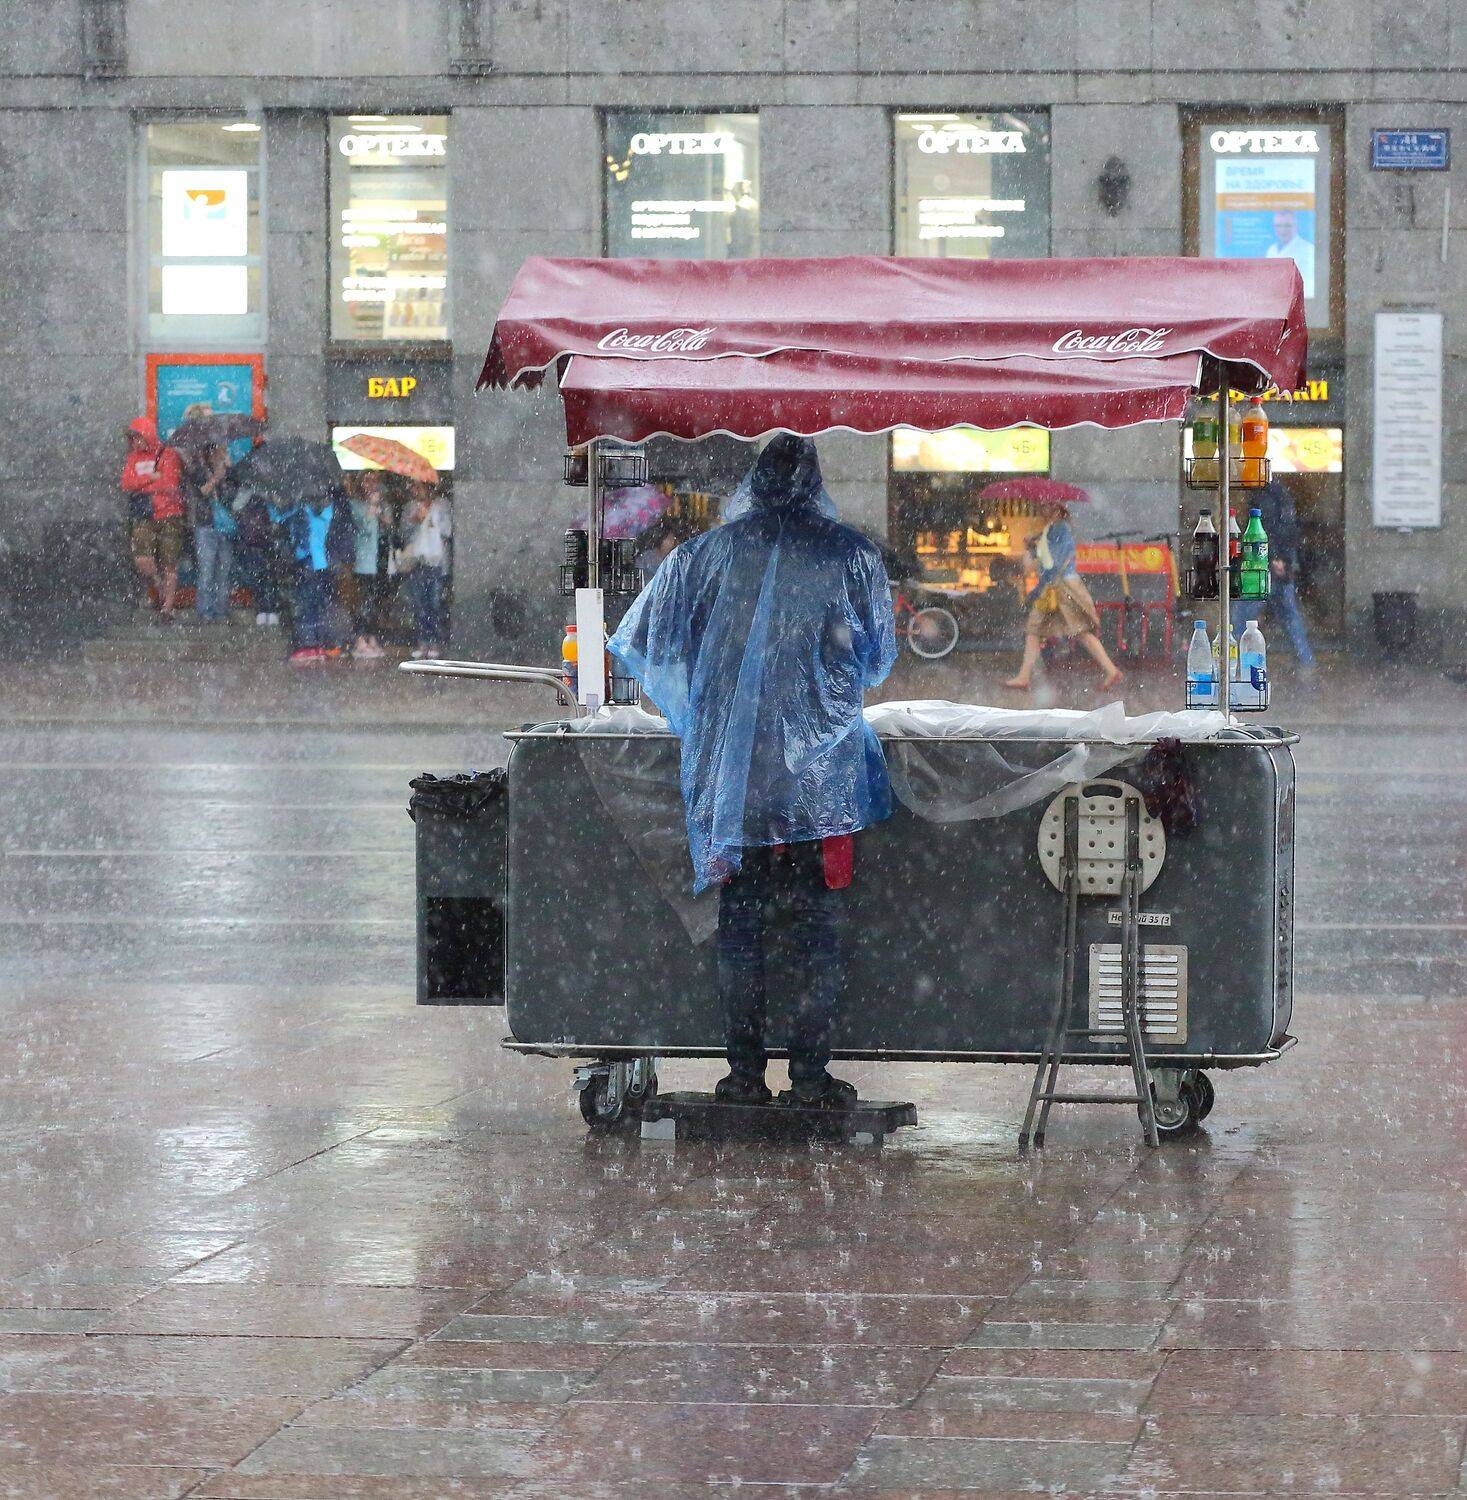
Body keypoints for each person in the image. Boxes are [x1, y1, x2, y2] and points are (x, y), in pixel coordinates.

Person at [610, 434, 897, 1109]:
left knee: (740, 927)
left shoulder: (700, 556)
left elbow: (649, 643)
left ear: (753, 482)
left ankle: (742, 1076)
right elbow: (877, 658)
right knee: (816, 934)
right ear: (814, 483)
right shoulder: (851, 556)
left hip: (734, 786)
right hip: (819, 791)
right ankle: (810, 1078)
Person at [1004, 499, 1123, 691]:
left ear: (1058, 510)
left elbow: (1053, 564)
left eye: (1049, 507)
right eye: (1043, 506)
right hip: (1055, 588)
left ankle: (1111, 670)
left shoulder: (1060, 529)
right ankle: (1024, 676)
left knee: (1072, 631)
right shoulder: (1051, 530)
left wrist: (1038, 586)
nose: (1044, 510)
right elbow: (1046, 560)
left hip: (1062, 587)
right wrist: (1033, 546)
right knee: (1039, 630)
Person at [1231, 479, 1316, 672]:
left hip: (1265, 562)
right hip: (1277, 561)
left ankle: (1232, 661)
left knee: (1241, 616)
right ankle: (1306, 661)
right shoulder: (1278, 494)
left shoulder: (1265, 497)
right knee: (1289, 615)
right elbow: (1286, 527)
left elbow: (1271, 529)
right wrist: (1284, 558)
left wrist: (1276, 557)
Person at [120, 417, 187, 625]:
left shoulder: (168, 454)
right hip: (144, 515)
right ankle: (158, 586)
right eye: (132, 439)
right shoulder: (133, 458)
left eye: (138, 438)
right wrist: (151, 478)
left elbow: (170, 484)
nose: (135, 443)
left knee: (169, 563)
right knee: (142, 559)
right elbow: (126, 483)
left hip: (169, 514)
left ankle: (167, 607)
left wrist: (143, 486)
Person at [173, 403, 236, 624]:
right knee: (207, 569)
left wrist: (226, 466)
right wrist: (216, 476)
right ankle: (205, 612)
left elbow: (231, 488)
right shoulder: (192, 457)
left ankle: (221, 610)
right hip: (204, 520)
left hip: (225, 520)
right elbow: (202, 490)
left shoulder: (221, 454)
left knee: (224, 569)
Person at [285, 490, 355, 665]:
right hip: (308, 564)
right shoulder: (301, 510)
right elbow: (290, 531)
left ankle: (318, 643)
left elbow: (343, 537)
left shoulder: (335, 512)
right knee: (309, 604)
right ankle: (311, 643)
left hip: (324, 566)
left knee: (318, 604)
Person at [395, 481, 451, 659]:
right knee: (419, 603)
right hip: (416, 560)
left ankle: (435, 641)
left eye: (419, 487)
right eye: (414, 487)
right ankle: (422, 641)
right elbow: (403, 532)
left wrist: (432, 521)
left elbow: (448, 531)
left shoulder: (441, 506)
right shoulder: (410, 507)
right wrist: (415, 521)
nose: (416, 490)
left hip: (436, 561)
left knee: (434, 602)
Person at [348, 471, 395, 658]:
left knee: (376, 601)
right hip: (364, 560)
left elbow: (389, 527)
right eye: (367, 480)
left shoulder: (383, 504)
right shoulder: (356, 504)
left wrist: (382, 513)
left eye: (374, 481)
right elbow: (363, 528)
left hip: (381, 559)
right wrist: (372, 507)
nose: (371, 484)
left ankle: (373, 637)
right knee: (363, 601)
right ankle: (360, 639)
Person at [1265, 209, 1315, 299]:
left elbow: (1309, 286)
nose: (1282, 230)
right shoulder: (1271, 250)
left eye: (1287, 226)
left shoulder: (1308, 250)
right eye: (1278, 226)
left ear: (1296, 226)